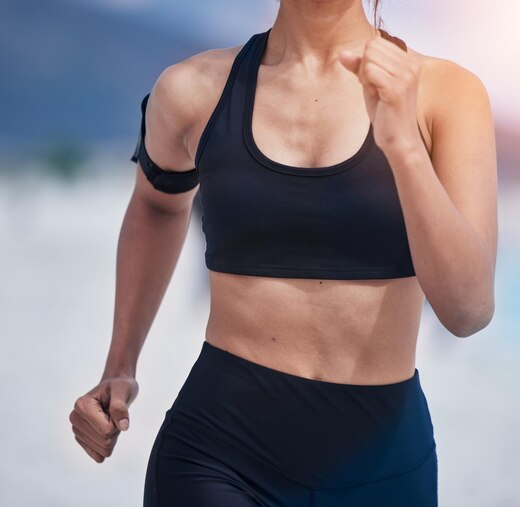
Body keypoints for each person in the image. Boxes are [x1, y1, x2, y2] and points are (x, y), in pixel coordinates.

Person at [68, 0, 498, 505]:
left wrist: (403, 145)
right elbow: (157, 206)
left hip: (384, 466)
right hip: (218, 456)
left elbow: (467, 311)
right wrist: (120, 365)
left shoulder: (445, 93)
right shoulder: (193, 89)